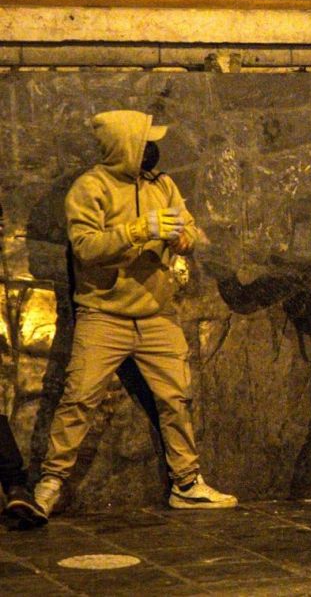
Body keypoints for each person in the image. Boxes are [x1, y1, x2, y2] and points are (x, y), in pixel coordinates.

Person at [33, 111, 236, 519]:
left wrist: (183, 239)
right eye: (144, 141)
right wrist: (138, 230)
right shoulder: (90, 188)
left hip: (156, 312)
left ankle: (186, 483)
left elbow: (189, 228)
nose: (152, 149)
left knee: (176, 398)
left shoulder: (162, 185)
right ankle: (50, 483)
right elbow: (86, 247)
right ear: (124, 146)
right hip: (103, 313)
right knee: (79, 399)